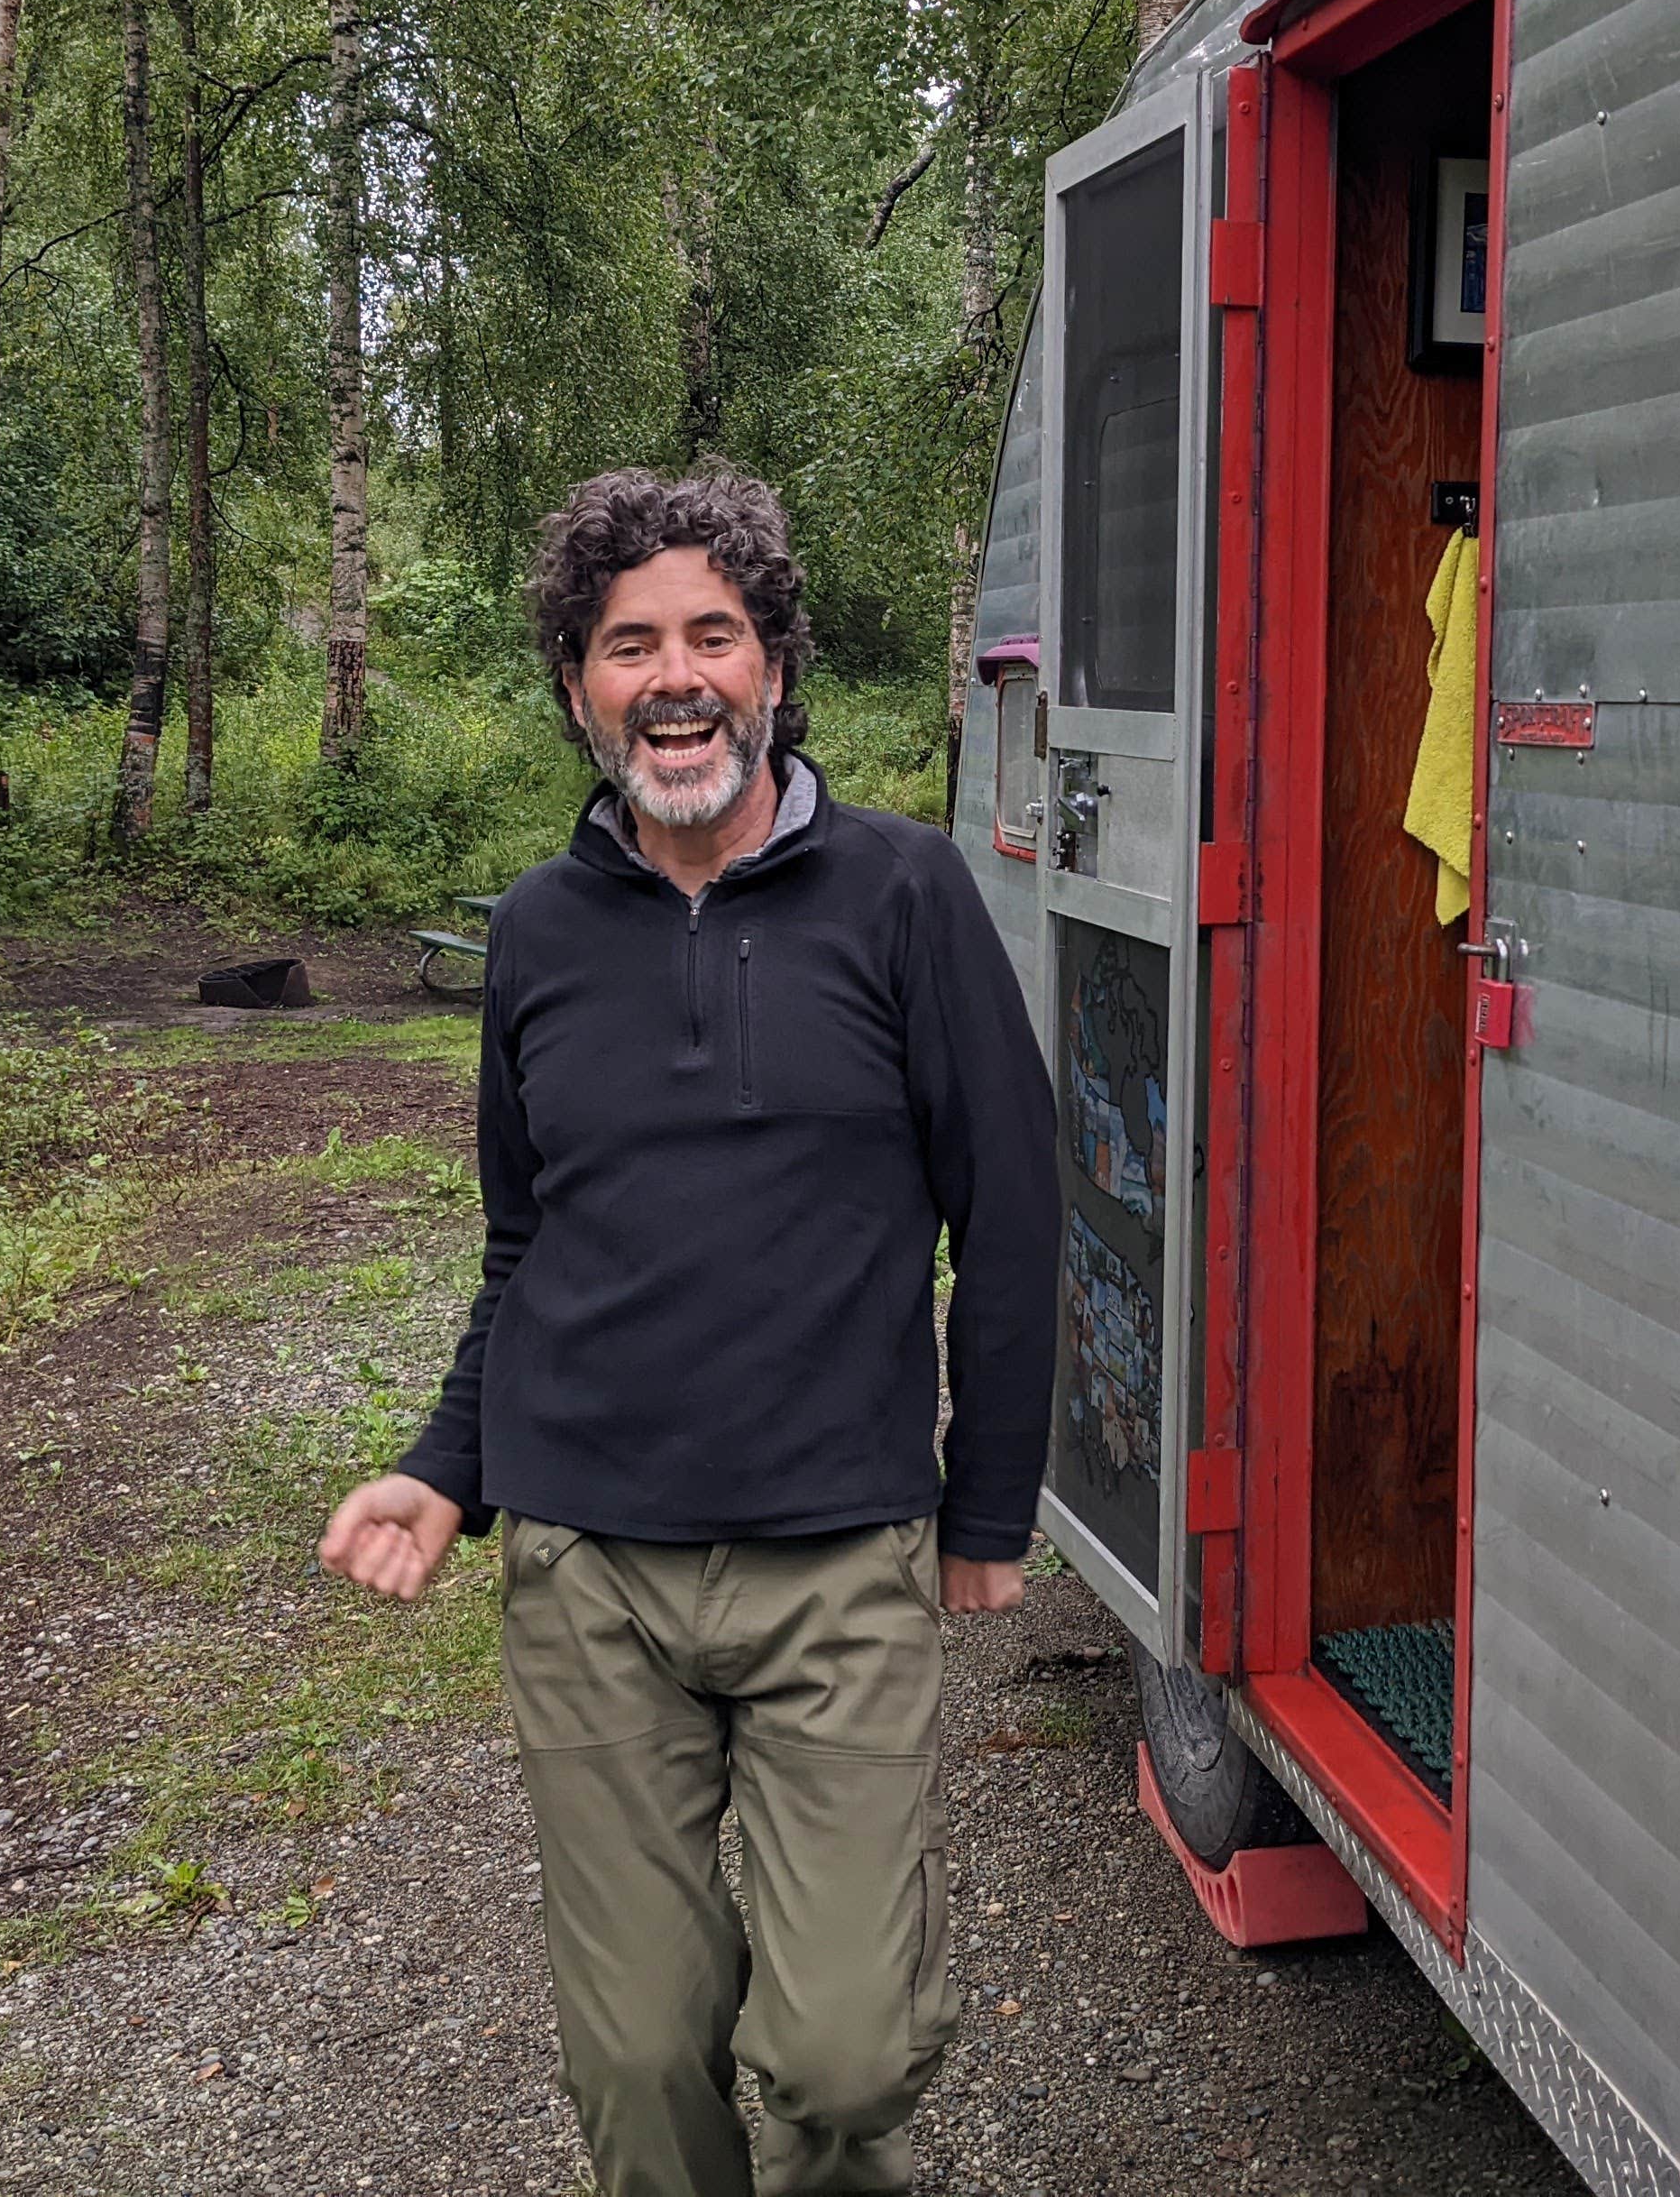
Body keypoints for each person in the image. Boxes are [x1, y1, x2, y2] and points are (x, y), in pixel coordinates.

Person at [317, 465, 1059, 2197]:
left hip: (838, 1555)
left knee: (843, 2052)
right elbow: (529, 1239)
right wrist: (447, 1468)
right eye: (627, 641)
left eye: (712, 635)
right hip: (591, 1570)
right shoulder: (536, 929)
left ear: (775, 667)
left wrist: (991, 1505)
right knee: (646, 2061)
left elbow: (1012, 1213)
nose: (675, 675)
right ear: (578, 682)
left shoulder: (906, 894)